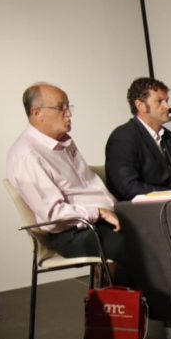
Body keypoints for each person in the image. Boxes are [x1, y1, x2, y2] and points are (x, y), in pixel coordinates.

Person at [6, 83, 123, 265]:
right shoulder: (27, 155)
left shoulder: (63, 143)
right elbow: (52, 216)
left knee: (159, 228)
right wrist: (98, 212)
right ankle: (124, 293)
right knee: (135, 244)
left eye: (68, 106)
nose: (68, 113)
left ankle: (154, 292)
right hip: (72, 232)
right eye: (61, 107)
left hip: (105, 219)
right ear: (37, 113)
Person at [104, 77, 171, 201]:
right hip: (141, 210)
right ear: (141, 106)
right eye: (159, 101)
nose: (167, 106)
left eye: (167, 100)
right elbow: (129, 188)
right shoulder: (123, 137)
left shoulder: (167, 136)